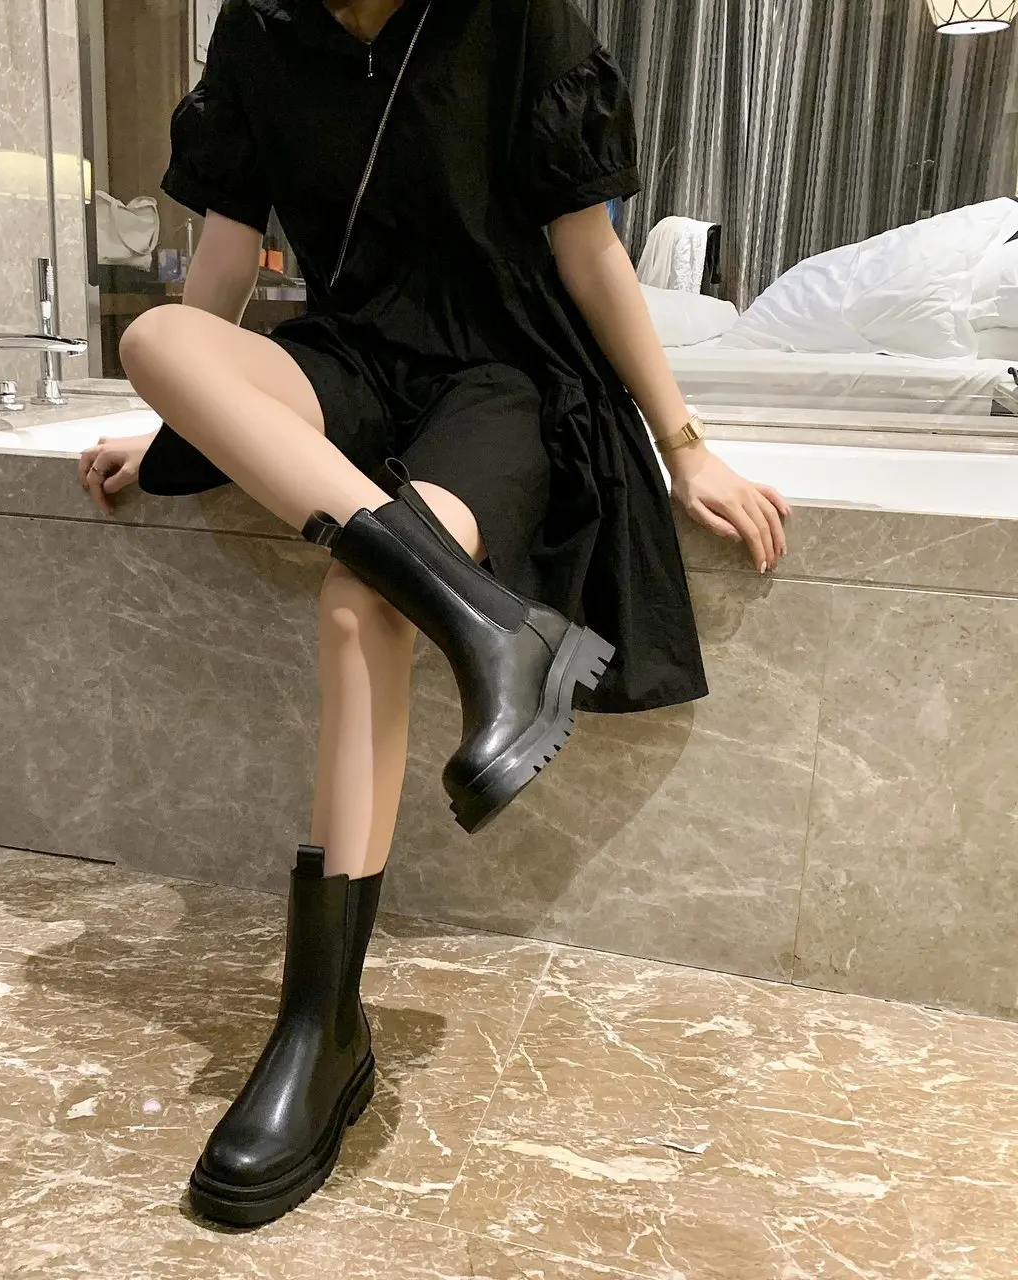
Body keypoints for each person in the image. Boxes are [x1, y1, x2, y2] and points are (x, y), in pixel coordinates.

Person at [78, 0, 790, 1228]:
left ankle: (320, 1022)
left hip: (503, 372)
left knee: (362, 600)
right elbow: (225, 260)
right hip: (347, 358)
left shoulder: (512, 16)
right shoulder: (259, 30)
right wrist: (185, 429)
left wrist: (683, 444)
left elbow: (587, 250)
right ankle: (489, 628)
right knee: (155, 338)